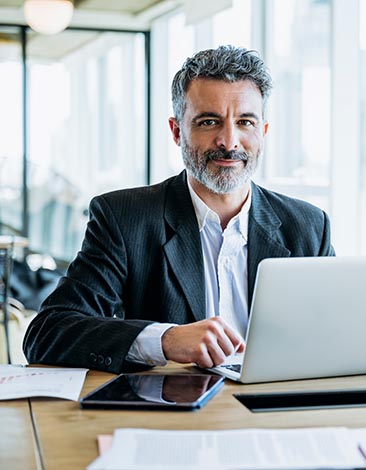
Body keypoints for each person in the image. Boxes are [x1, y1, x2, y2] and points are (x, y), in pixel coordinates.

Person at [23, 45, 335, 373]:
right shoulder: (123, 218)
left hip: (282, 410)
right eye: (209, 122)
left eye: (245, 122)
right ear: (176, 131)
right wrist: (165, 340)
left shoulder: (308, 225)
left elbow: (338, 332)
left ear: (263, 132)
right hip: (176, 414)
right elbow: (47, 333)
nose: (229, 142)